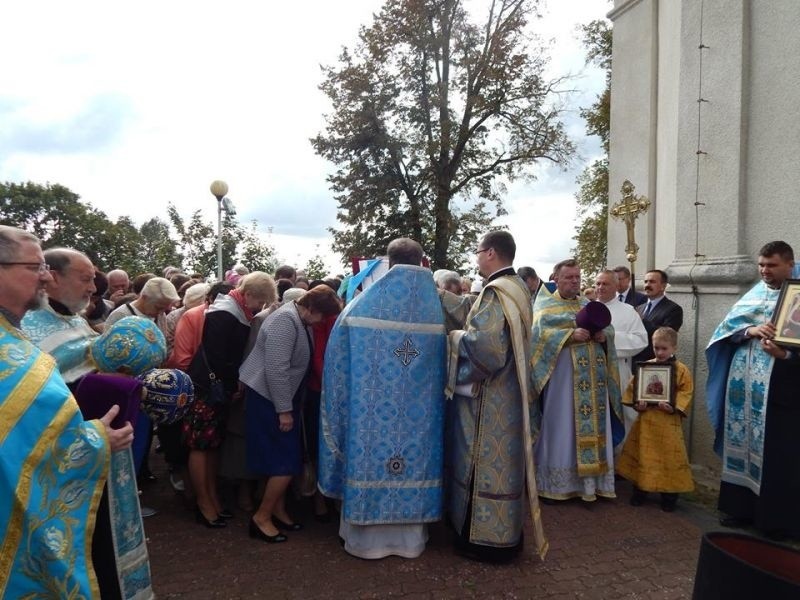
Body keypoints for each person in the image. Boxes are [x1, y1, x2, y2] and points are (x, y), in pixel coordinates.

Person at [0, 225, 134, 598]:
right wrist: (94, 440)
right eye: (35, 266)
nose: (42, 276)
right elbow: (15, 442)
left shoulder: (19, 332)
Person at [319, 238, 448, 560]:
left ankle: (364, 541)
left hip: (369, 417)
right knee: (414, 459)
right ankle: (409, 541)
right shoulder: (438, 305)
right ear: (422, 261)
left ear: (387, 261)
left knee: (370, 460)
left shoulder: (361, 305)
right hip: (419, 415)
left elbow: (337, 364)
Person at [447, 231, 547, 562]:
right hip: (512, 394)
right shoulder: (517, 287)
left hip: (489, 399)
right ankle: (506, 535)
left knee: (483, 462)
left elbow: (486, 351)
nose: (476, 259)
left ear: (490, 253)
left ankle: (481, 541)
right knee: (506, 466)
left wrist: (455, 339)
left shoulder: (494, 291)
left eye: (477, 252)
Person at [706, 240, 800, 539]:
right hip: (743, 389)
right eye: (761, 264)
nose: (764, 271)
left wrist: (784, 356)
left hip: (782, 392)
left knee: (778, 452)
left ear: (789, 264)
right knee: (742, 441)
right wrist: (750, 330)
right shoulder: (754, 294)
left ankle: (775, 521)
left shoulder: (797, 296)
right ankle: (739, 510)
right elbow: (725, 332)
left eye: (771, 265)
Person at [241, 285, 342, 543]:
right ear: (311, 308)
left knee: (284, 458)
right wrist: (284, 410)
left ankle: (278, 509)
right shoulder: (285, 322)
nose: (321, 323)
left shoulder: (296, 316)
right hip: (269, 398)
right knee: (284, 462)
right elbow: (276, 369)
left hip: (277, 396)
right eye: (321, 316)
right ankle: (261, 518)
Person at [185, 272, 276, 527]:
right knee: (200, 445)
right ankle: (204, 503)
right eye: (260, 301)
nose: (260, 307)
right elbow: (217, 356)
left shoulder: (232, 309)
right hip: (208, 387)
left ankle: (212, 497)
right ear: (247, 295)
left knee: (211, 445)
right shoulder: (224, 312)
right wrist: (231, 383)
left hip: (218, 387)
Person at [531, 259, 624, 503]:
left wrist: (605, 336)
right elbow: (538, 336)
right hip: (563, 384)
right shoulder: (545, 307)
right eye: (569, 277)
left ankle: (591, 486)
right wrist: (569, 335)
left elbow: (610, 331)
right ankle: (557, 487)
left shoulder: (588, 304)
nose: (574, 281)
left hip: (593, 384)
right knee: (562, 428)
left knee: (592, 429)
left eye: (577, 277)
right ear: (557, 279)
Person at [617, 327, 694, 512]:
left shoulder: (681, 370)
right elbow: (634, 389)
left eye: (664, 349)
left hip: (668, 424)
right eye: (656, 348)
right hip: (647, 422)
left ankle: (669, 496)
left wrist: (673, 407)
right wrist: (638, 404)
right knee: (644, 455)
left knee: (669, 458)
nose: (659, 352)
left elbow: (686, 391)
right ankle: (640, 491)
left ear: (674, 348)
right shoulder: (646, 368)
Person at [21, 247, 99, 386]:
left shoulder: (76, 318)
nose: (93, 288)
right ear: (54, 278)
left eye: (93, 280)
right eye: (86, 279)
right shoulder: (22, 326)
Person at [595, 269, 648, 442]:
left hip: (618, 371)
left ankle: (619, 463)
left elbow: (641, 340)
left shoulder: (628, 312)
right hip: (590, 372)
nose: (600, 287)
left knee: (622, 418)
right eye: (598, 283)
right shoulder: (585, 308)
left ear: (616, 286)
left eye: (605, 283)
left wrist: (609, 338)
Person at [632, 269, 683, 365]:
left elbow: (668, 335)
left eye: (652, 282)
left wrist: (642, 320)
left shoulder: (674, 309)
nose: (647, 285)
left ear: (663, 286)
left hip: (658, 362)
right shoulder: (639, 308)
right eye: (646, 282)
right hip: (636, 361)